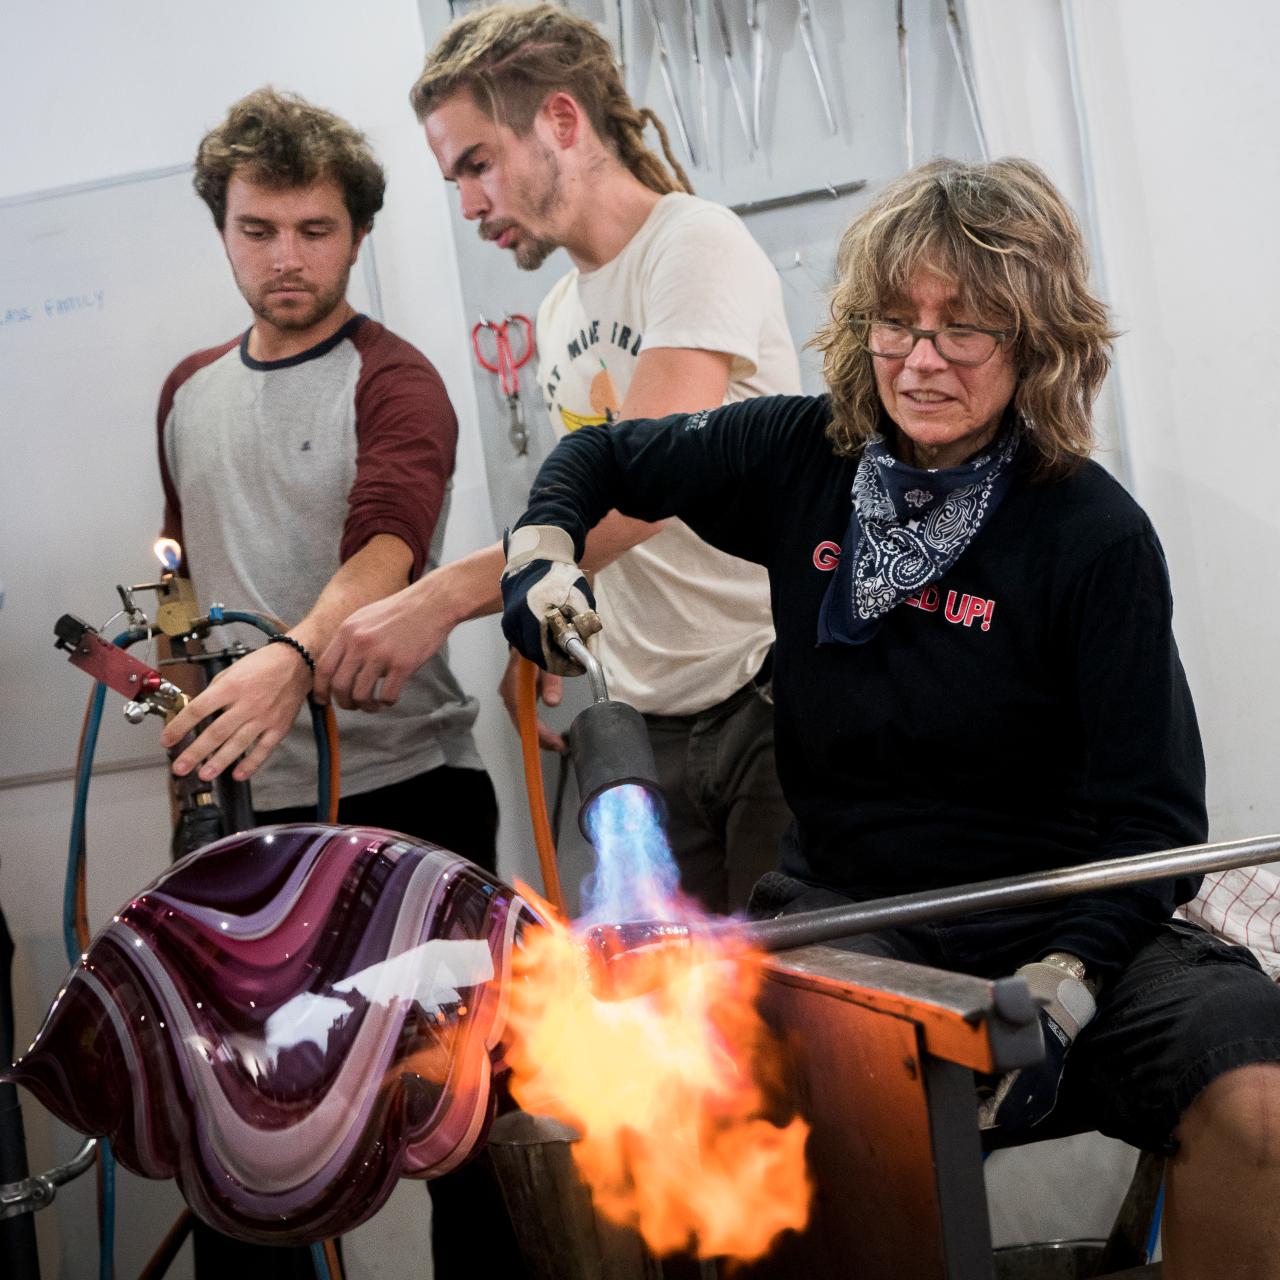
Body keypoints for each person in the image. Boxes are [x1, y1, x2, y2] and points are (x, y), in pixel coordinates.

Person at [499, 157, 1280, 1275]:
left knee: (1253, 1093)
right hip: (858, 910)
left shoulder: (1092, 536)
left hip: (1062, 912)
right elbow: (601, 454)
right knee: (868, 1120)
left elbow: (1152, 818)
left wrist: (1068, 973)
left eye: (964, 328)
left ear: (1036, 341)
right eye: (893, 322)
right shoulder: (798, 458)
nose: (920, 359)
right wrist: (540, 551)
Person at [316, 4, 800, 914]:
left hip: (766, 701)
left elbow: (653, 486)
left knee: (796, 1013)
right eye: (454, 178)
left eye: (477, 163)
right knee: (683, 1023)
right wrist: (534, 629)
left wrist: (448, 597)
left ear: (562, 123)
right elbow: (579, 517)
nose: (467, 204)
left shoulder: (693, 245)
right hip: (645, 713)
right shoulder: (559, 315)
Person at [153, 89, 521, 1280]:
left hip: (407, 804)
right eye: (259, 230)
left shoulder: (395, 378)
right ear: (224, 229)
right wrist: (180, 703)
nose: (286, 257)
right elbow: (182, 588)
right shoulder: (187, 394)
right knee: (242, 1128)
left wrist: (293, 658)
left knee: (464, 1122)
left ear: (355, 234)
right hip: (250, 829)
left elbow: (385, 553)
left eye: (313, 230)